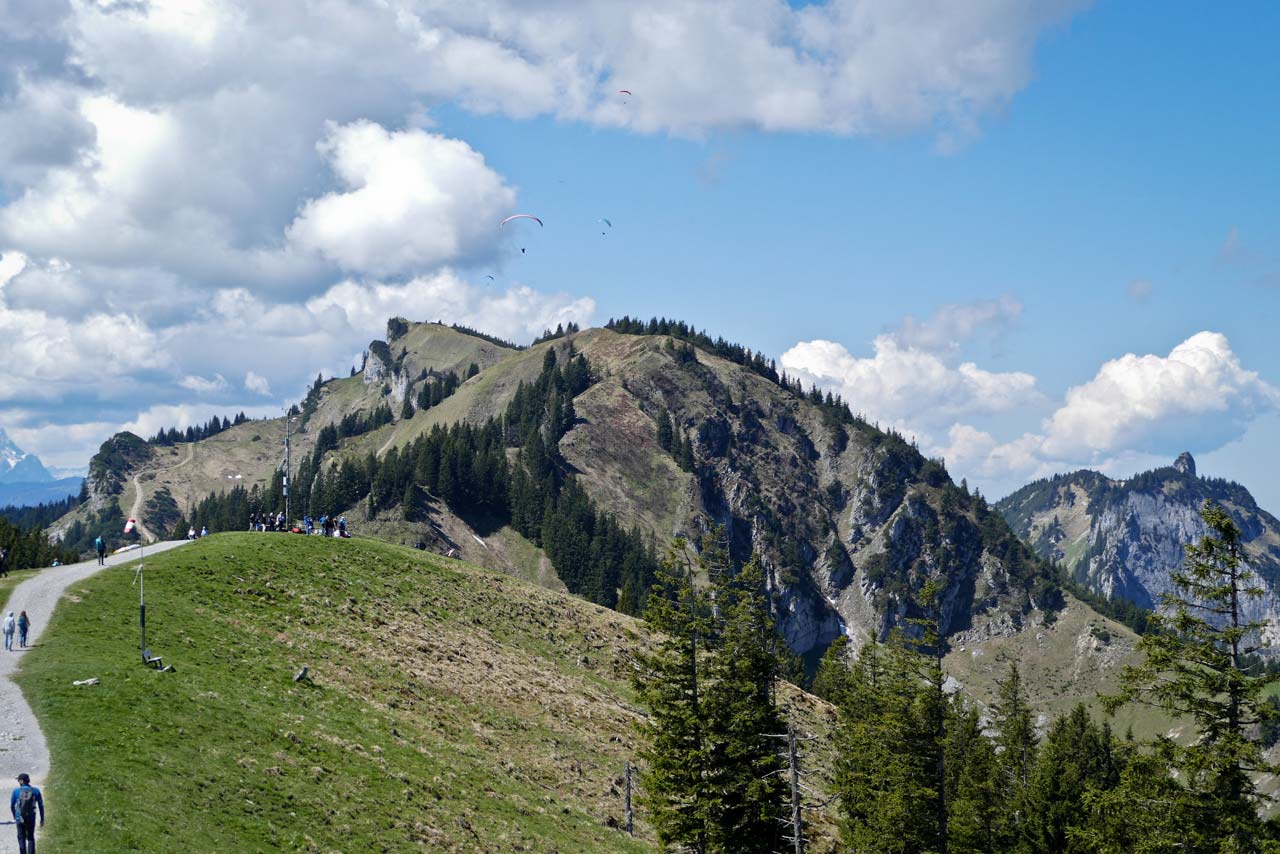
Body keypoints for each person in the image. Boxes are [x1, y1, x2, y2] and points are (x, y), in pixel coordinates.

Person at [10, 772, 45, 854]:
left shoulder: (16, 791)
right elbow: (41, 805)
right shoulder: (36, 791)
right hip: (31, 817)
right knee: (30, 838)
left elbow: (12, 805)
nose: (18, 781)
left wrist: (14, 815)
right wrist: (42, 819)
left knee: (21, 837)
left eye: (19, 780)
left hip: (19, 817)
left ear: (21, 781)